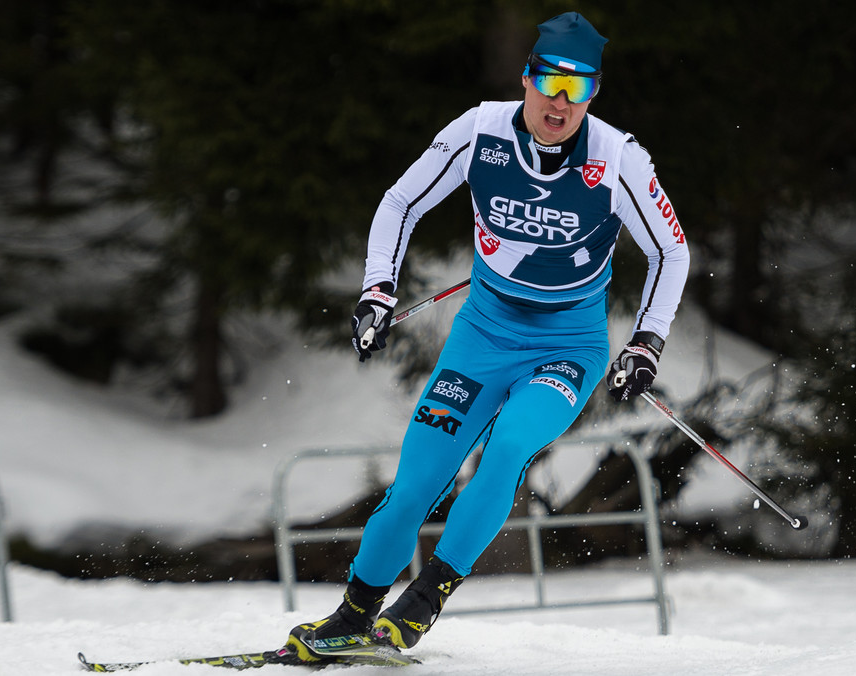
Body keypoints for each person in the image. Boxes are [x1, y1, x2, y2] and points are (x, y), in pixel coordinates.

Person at [286, 11, 689, 658]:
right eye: (550, 83)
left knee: (507, 451)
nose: (560, 103)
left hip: (568, 345)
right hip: (484, 332)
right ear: (526, 78)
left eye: (577, 89)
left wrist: (646, 342)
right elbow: (401, 202)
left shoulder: (617, 157)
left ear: (594, 94)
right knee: (416, 484)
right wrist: (377, 290)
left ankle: (421, 604)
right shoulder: (480, 131)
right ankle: (353, 613)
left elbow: (671, 253)